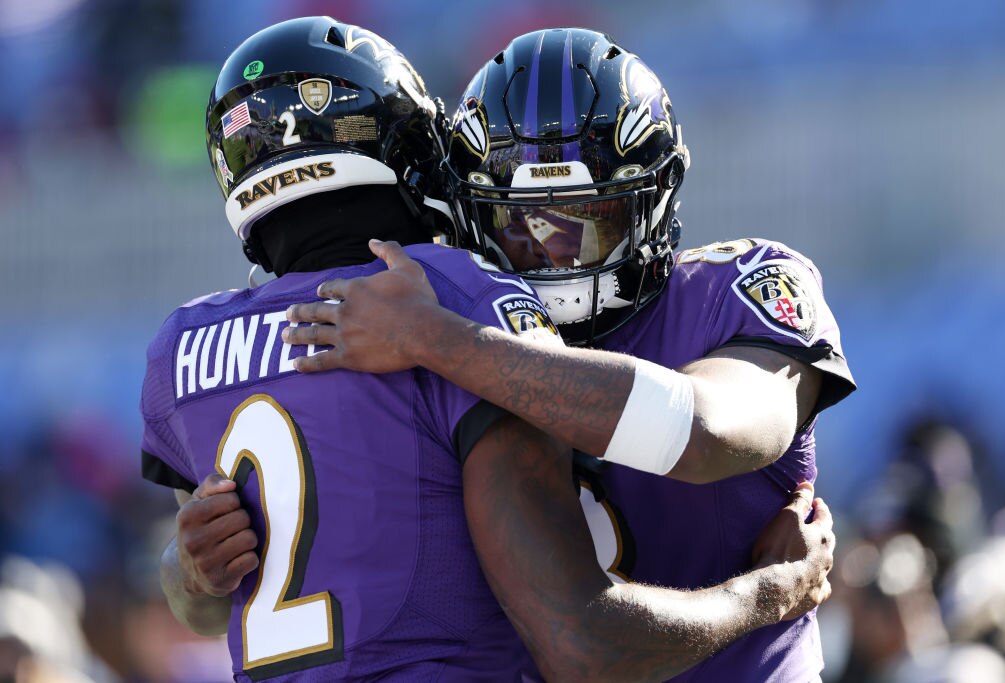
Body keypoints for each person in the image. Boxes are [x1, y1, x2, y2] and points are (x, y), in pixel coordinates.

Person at [145, 17, 836, 681]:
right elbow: (266, 568)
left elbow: (706, 428)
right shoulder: (430, 308)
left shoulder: (734, 286)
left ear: (654, 197)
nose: (547, 250)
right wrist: (192, 567)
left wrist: (449, 340)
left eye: (583, 221)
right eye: (513, 221)